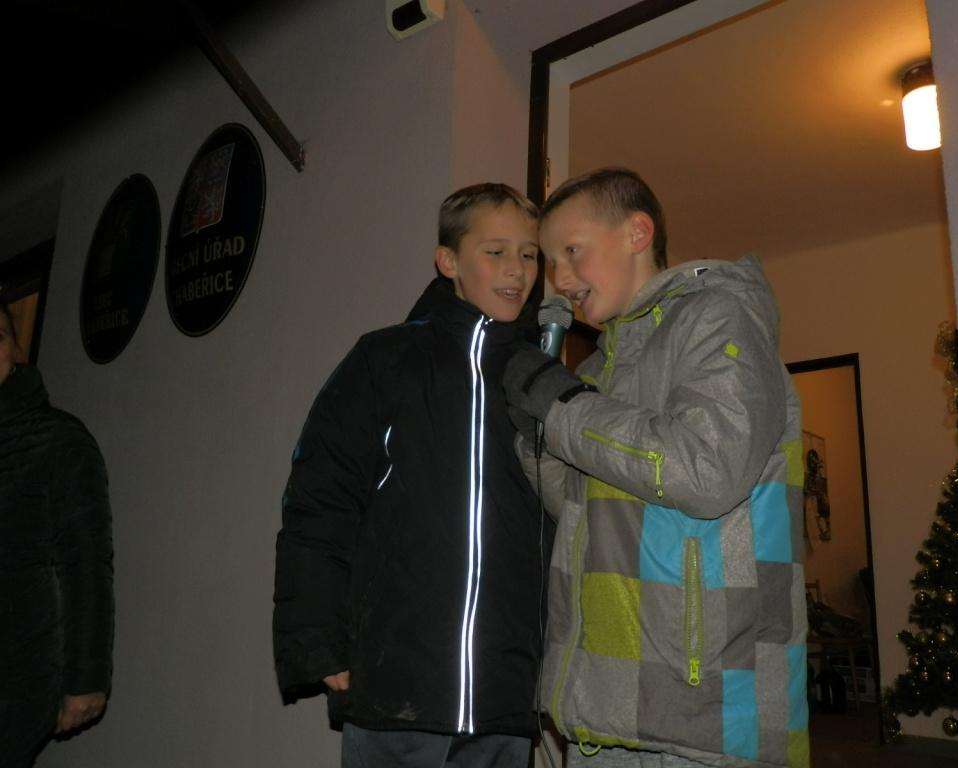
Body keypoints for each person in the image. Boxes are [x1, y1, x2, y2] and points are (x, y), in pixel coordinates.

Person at [503, 168, 808, 767]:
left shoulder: (718, 318)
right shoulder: (595, 372)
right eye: (550, 262)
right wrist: (535, 441)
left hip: (705, 715)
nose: (558, 280)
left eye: (572, 251)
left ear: (637, 233)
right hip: (604, 703)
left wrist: (565, 410)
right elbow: (583, 514)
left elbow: (707, 470)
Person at [273, 183, 548, 767]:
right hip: (398, 686)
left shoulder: (541, 381)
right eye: (495, 251)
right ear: (448, 261)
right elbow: (320, 501)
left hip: (506, 695)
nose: (517, 269)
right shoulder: (384, 361)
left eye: (529, 254)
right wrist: (318, 640)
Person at [0, 302, 114, 768]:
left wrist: (85, 677)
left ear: (15, 351)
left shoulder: (59, 439)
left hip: (16, 675)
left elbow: (86, 561)